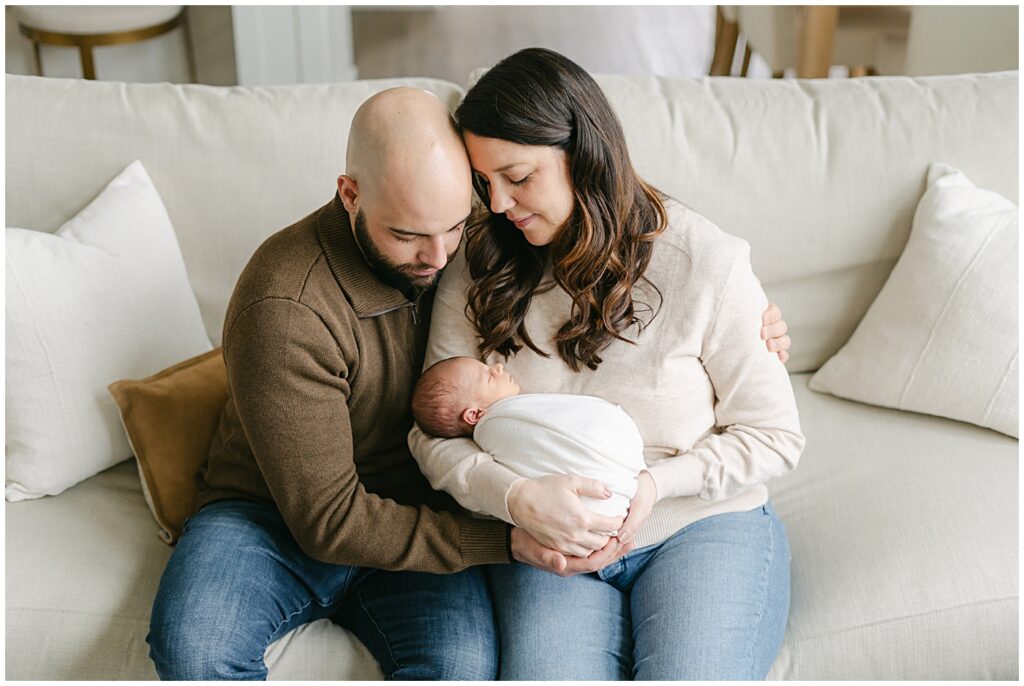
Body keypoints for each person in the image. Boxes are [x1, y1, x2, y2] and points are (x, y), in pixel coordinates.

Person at [146, 84, 794, 679]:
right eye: (407, 235)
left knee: (464, 670)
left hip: (435, 512)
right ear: (351, 196)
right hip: (288, 515)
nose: (436, 257)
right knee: (194, 645)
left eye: (455, 225)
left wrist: (747, 317)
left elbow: (619, 223)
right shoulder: (293, 304)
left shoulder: (481, 231)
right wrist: (510, 527)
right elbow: (328, 518)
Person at [408, 48, 805, 680]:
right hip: (550, 543)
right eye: (485, 183)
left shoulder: (705, 262)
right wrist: (516, 498)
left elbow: (776, 437)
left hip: (697, 526)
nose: (500, 203)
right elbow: (430, 435)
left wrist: (655, 487)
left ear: (582, 151)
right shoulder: (478, 263)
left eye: (517, 176)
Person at [412, 356, 646, 517]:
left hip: (624, 495)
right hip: (596, 499)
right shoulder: (497, 427)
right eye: (489, 376)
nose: (498, 367)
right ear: (474, 414)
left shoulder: (512, 415)